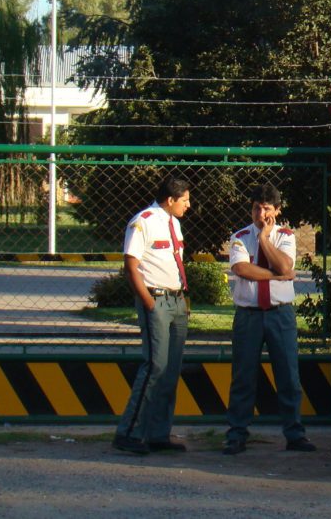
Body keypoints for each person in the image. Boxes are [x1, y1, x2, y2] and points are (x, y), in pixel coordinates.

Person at [222, 184, 316, 455]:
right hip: (248, 314)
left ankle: (294, 433)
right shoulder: (239, 237)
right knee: (243, 375)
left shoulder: (286, 236)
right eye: (256, 207)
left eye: (266, 208)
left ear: (276, 210)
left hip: (279, 313)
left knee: (288, 373)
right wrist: (275, 276)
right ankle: (237, 433)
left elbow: (286, 265)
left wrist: (264, 240)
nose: (260, 213)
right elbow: (242, 269)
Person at [113, 175, 192, 455]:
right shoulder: (143, 221)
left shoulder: (175, 224)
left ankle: (159, 433)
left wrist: (184, 296)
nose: (188, 205)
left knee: (171, 370)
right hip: (155, 299)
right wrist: (147, 300)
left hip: (176, 300)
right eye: (184, 200)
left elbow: (175, 261)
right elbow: (131, 265)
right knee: (155, 366)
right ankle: (129, 432)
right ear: (170, 200)